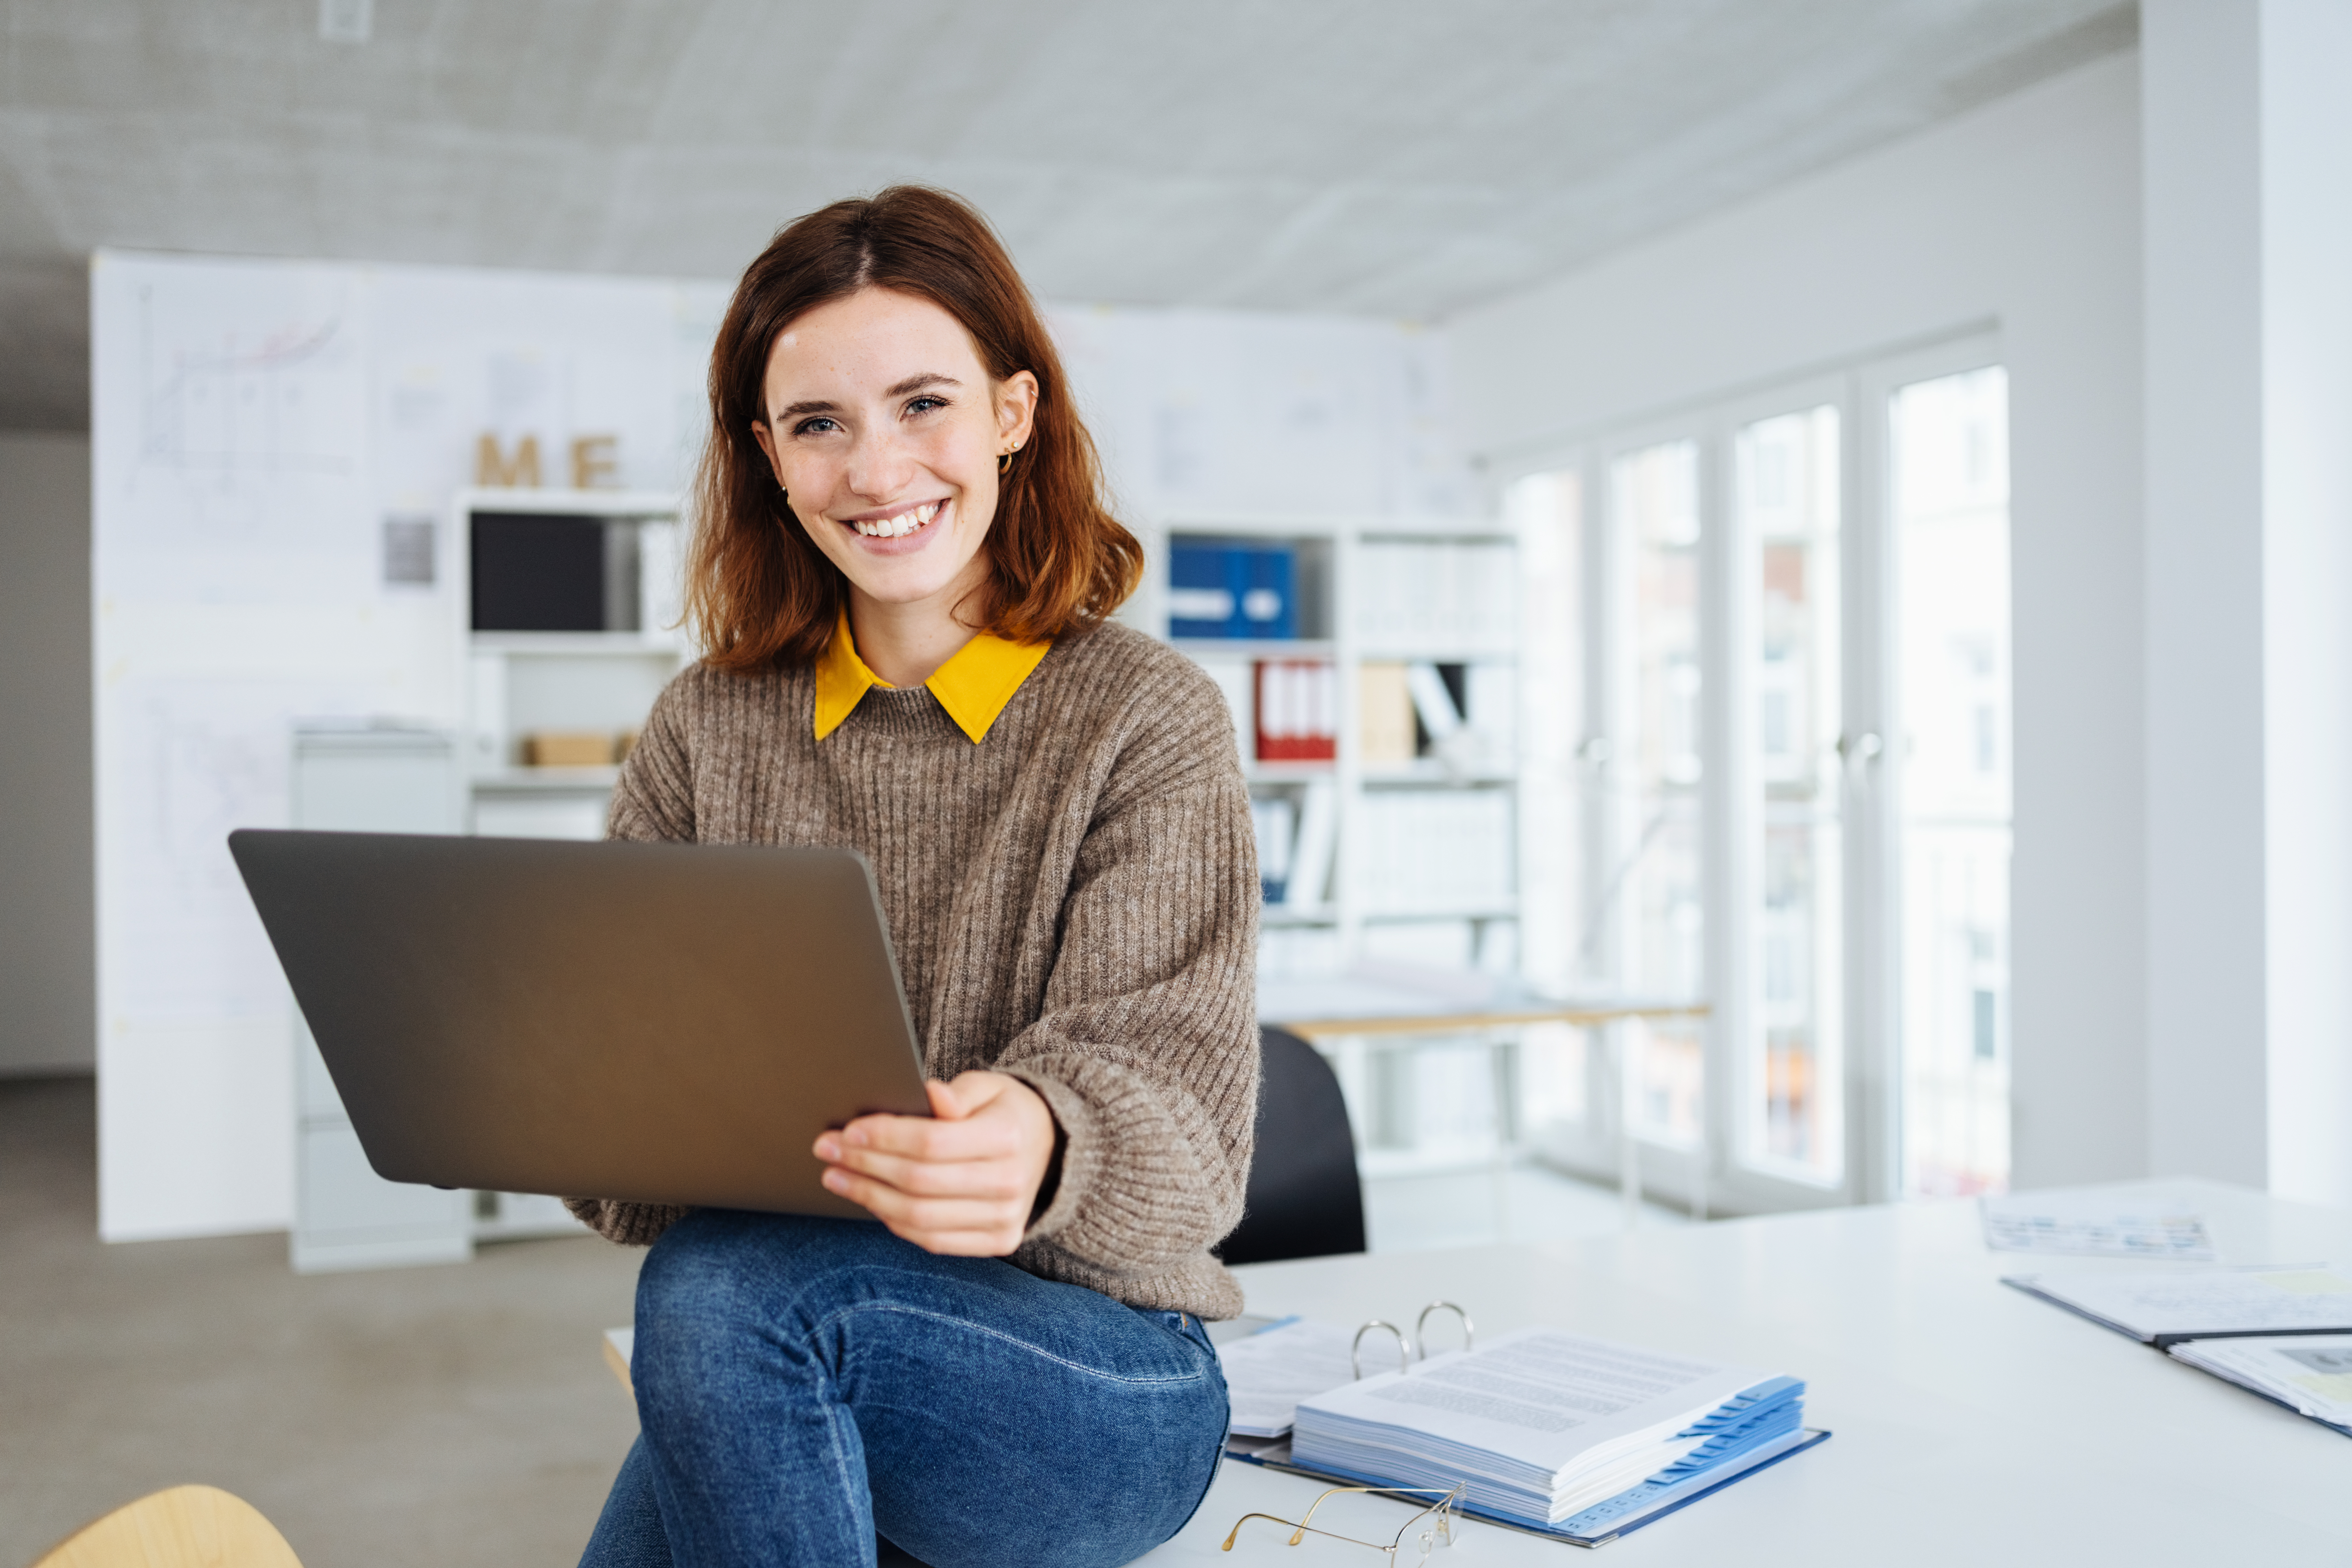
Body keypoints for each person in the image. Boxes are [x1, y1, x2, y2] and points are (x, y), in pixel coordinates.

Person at [572, 186, 1260, 1568]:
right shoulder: (707, 727)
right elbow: (626, 1188)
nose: (877, 471)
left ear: (1013, 411)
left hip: (1097, 1375)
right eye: (819, 424)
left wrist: (1048, 1139)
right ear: (769, 457)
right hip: (780, 1322)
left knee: (718, 1294)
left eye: (923, 404)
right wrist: (555, 1093)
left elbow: (1194, 1136)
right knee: (726, 1300)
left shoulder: (1146, 717)